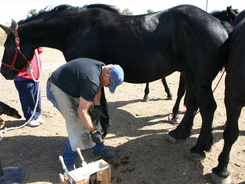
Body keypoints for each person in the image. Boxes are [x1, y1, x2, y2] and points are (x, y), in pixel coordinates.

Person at [46, 58, 124, 169]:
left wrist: (97, 107)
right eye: (110, 83)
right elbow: (82, 111)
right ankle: (68, 163)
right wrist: (93, 131)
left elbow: (99, 86)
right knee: (77, 124)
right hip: (58, 88)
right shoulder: (92, 80)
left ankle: (98, 148)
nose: (108, 86)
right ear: (107, 75)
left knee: (92, 115)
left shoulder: (102, 68)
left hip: (73, 85)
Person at [14, 47, 44, 127]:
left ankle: (36, 115)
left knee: (36, 97)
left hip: (34, 74)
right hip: (23, 76)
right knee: (27, 97)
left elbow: (40, 50)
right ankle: (30, 117)